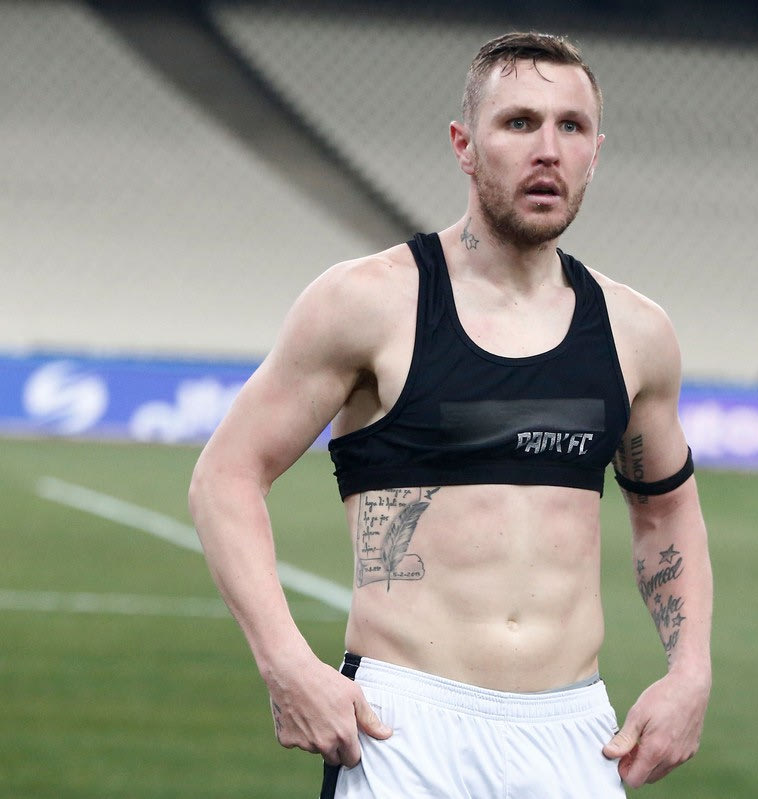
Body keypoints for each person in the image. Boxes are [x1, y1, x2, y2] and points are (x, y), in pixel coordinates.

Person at [188, 30, 713, 798]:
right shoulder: (369, 302)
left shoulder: (636, 331)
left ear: (595, 152)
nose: (548, 150)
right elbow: (225, 476)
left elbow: (665, 509)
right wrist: (286, 661)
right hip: (405, 729)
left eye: (571, 127)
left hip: (573, 735)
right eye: (519, 123)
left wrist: (689, 671)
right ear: (464, 145)